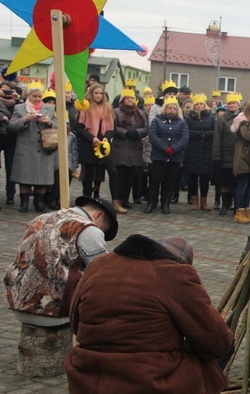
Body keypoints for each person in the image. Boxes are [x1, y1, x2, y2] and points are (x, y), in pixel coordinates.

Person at [64, 234, 233, 394]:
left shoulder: (98, 265)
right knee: (223, 348)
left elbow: (75, 323)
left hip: (86, 376)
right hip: (142, 383)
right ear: (180, 262)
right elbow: (216, 341)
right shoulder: (174, 274)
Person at [5, 196, 118, 327]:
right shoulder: (89, 230)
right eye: (103, 228)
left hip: (17, 302)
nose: (100, 231)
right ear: (98, 215)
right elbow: (103, 273)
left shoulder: (41, 218)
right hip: (54, 311)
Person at [9, 80, 56, 213]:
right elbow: (12, 126)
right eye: (34, 96)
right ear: (28, 96)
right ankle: (24, 202)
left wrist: (49, 122)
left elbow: (61, 127)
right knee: (24, 177)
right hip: (25, 148)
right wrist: (24, 119)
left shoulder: (50, 108)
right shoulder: (20, 108)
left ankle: (39, 201)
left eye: (39, 96)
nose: (37, 99)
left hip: (44, 149)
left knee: (42, 177)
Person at [75, 83, 119, 211]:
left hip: (104, 144)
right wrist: (91, 138)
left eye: (101, 93)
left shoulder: (108, 108)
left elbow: (113, 128)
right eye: (96, 93)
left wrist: (107, 136)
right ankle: (87, 199)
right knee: (89, 173)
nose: (99, 96)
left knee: (112, 171)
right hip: (89, 144)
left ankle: (115, 200)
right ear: (91, 94)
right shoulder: (85, 107)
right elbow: (79, 127)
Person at [146, 98, 189, 214]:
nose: (172, 110)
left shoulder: (181, 122)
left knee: (169, 181)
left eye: (174, 108)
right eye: (170, 107)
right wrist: (165, 148)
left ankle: (165, 203)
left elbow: (184, 138)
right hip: (159, 156)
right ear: (165, 109)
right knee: (155, 180)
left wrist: (174, 149)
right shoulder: (157, 120)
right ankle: (152, 203)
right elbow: (153, 135)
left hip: (174, 157)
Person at [112, 89, 148, 213]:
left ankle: (126, 198)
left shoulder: (140, 113)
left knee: (130, 176)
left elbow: (146, 127)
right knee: (120, 176)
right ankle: (118, 199)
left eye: (131, 98)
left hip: (134, 148)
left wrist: (137, 133)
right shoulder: (116, 112)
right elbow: (113, 127)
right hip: (121, 147)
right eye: (127, 98)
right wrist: (126, 132)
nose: (129, 100)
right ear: (122, 100)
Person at [183, 94, 215, 212]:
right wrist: (202, 134)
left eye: (201, 104)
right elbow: (187, 133)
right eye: (197, 104)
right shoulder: (189, 118)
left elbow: (214, 132)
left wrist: (202, 135)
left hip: (206, 151)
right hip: (192, 151)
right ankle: (194, 200)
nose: (199, 106)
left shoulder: (211, 118)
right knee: (192, 178)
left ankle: (204, 201)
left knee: (205, 179)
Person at [212, 92, 242, 216]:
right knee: (225, 182)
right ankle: (225, 204)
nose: (232, 105)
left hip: (239, 156)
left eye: (234, 103)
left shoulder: (243, 117)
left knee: (237, 182)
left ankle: (236, 205)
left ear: (238, 104)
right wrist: (217, 156)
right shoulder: (222, 119)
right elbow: (217, 138)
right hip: (225, 154)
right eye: (230, 103)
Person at [231, 100, 250, 223]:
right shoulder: (242, 121)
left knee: (249, 187)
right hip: (243, 157)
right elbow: (248, 136)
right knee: (242, 185)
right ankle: (239, 211)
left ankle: (246, 210)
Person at [1, 80, 20, 205]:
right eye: (4, 90)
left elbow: (20, 115)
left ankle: (10, 194)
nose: (7, 93)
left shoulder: (17, 104)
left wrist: (17, 99)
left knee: (10, 168)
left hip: (11, 140)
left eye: (9, 90)